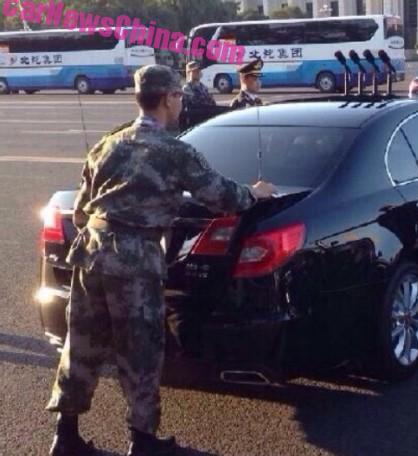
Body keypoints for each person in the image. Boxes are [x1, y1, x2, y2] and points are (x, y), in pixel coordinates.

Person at [45, 64, 276, 456]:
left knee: (81, 345)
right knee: (140, 348)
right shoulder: (174, 151)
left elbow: (82, 208)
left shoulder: (108, 143)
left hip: (91, 253)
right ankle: (143, 441)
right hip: (135, 260)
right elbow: (222, 197)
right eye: (179, 97)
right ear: (168, 98)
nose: (181, 103)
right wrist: (256, 193)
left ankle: (65, 437)